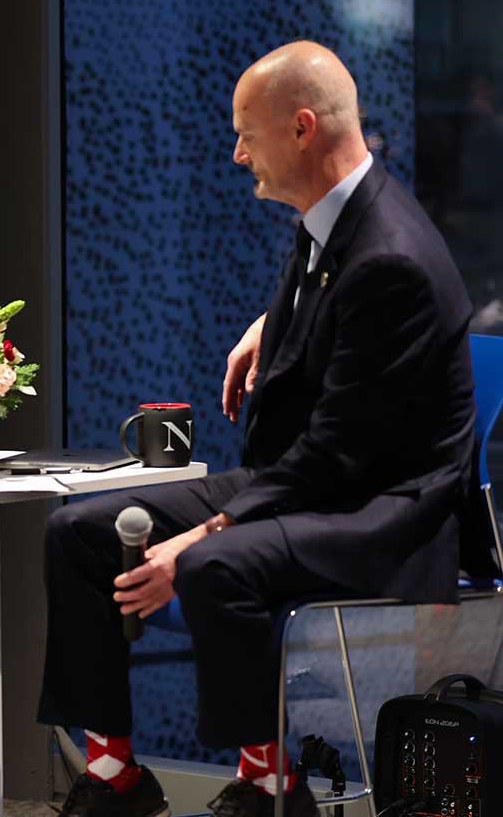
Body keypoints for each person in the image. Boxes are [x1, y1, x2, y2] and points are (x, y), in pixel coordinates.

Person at [40, 41, 486, 817]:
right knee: (79, 531)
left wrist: (204, 533)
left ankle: (271, 783)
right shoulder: (334, 220)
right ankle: (115, 775)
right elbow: (339, 319)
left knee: (216, 567)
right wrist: (274, 321)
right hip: (320, 480)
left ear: (303, 128)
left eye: (249, 132)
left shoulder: (390, 259)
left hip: (387, 508)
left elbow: (335, 454)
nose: (238, 150)